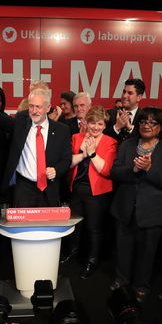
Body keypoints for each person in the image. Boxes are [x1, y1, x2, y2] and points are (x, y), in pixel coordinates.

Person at [110, 108, 162, 301]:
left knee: (147, 253)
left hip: (152, 211)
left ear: (161, 126)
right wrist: (133, 169)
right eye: (143, 122)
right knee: (123, 248)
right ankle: (121, 280)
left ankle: (141, 285)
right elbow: (115, 172)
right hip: (124, 208)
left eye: (152, 123)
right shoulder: (127, 145)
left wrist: (149, 169)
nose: (146, 126)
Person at [0, 76, 72, 207]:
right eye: (31, 106)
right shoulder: (21, 121)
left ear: (48, 107)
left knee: (48, 226)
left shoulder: (62, 130)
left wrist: (56, 170)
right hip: (24, 189)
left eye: (38, 107)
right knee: (23, 226)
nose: (34, 111)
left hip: (50, 188)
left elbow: (66, 159)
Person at [62, 106, 117, 279]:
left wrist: (92, 153)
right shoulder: (76, 137)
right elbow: (68, 163)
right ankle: (73, 252)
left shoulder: (110, 142)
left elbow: (106, 170)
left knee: (94, 228)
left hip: (98, 191)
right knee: (76, 223)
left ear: (104, 125)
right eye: (92, 123)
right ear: (86, 122)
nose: (95, 127)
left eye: (99, 124)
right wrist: (83, 153)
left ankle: (92, 260)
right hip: (77, 188)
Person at [105, 78, 145, 143]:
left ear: (139, 97)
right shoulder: (109, 114)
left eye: (130, 93)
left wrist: (130, 128)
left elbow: (145, 141)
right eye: (124, 92)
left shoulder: (144, 117)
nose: (124, 96)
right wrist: (116, 127)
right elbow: (101, 139)